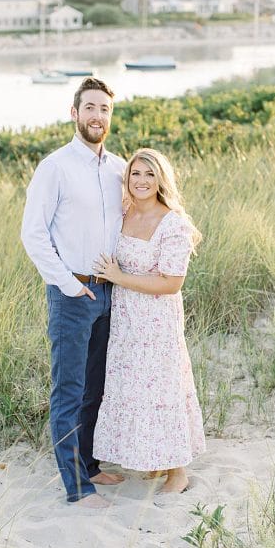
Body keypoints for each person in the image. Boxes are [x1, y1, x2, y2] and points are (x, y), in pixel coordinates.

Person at [21, 77, 126, 508]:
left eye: (104, 109)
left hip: (109, 292)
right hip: (72, 294)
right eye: (90, 108)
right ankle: (77, 487)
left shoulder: (120, 167)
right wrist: (68, 284)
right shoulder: (55, 167)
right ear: (74, 113)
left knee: (95, 388)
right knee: (68, 390)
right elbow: (33, 235)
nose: (97, 116)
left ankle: (91, 463)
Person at [91, 148, 206, 495]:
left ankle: (177, 472)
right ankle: (155, 460)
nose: (141, 181)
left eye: (149, 175)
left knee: (162, 389)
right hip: (126, 321)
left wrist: (119, 277)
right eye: (135, 174)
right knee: (134, 387)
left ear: (161, 180)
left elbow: (172, 283)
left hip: (157, 322)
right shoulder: (124, 212)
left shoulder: (173, 222)